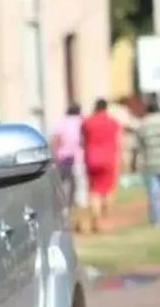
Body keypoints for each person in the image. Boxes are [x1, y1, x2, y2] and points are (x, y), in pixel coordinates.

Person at [134, 98, 160, 227]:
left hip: (150, 163)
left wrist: (136, 163)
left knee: (154, 194)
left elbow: (138, 146)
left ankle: (156, 221)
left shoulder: (143, 123)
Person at [81, 98, 121, 233]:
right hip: (109, 159)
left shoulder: (87, 121)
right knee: (108, 190)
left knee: (94, 191)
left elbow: (82, 139)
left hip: (92, 158)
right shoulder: (113, 122)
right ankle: (105, 219)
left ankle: (95, 220)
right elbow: (118, 139)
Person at [50, 103, 88, 231]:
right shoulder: (82, 121)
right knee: (79, 187)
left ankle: (64, 213)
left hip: (63, 158)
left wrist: (54, 155)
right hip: (78, 158)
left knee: (63, 187)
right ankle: (80, 216)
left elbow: (55, 140)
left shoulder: (62, 122)